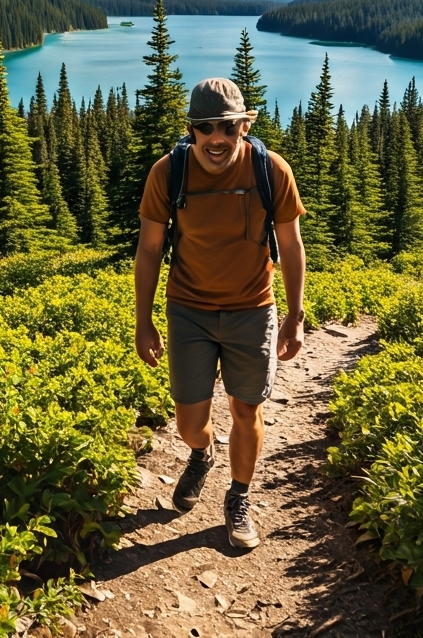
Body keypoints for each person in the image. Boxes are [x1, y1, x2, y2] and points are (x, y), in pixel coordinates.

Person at [134, 77, 306, 549]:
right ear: (191, 130)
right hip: (188, 309)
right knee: (190, 421)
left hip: (253, 309)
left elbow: (290, 244)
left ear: (244, 126)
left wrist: (296, 314)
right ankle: (202, 452)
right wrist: (143, 319)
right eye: (205, 127)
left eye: (227, 127)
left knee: (246, 407)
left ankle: (239, 496)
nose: (216, 137)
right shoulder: (168, 172)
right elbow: (149, 249)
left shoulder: (271, 170)